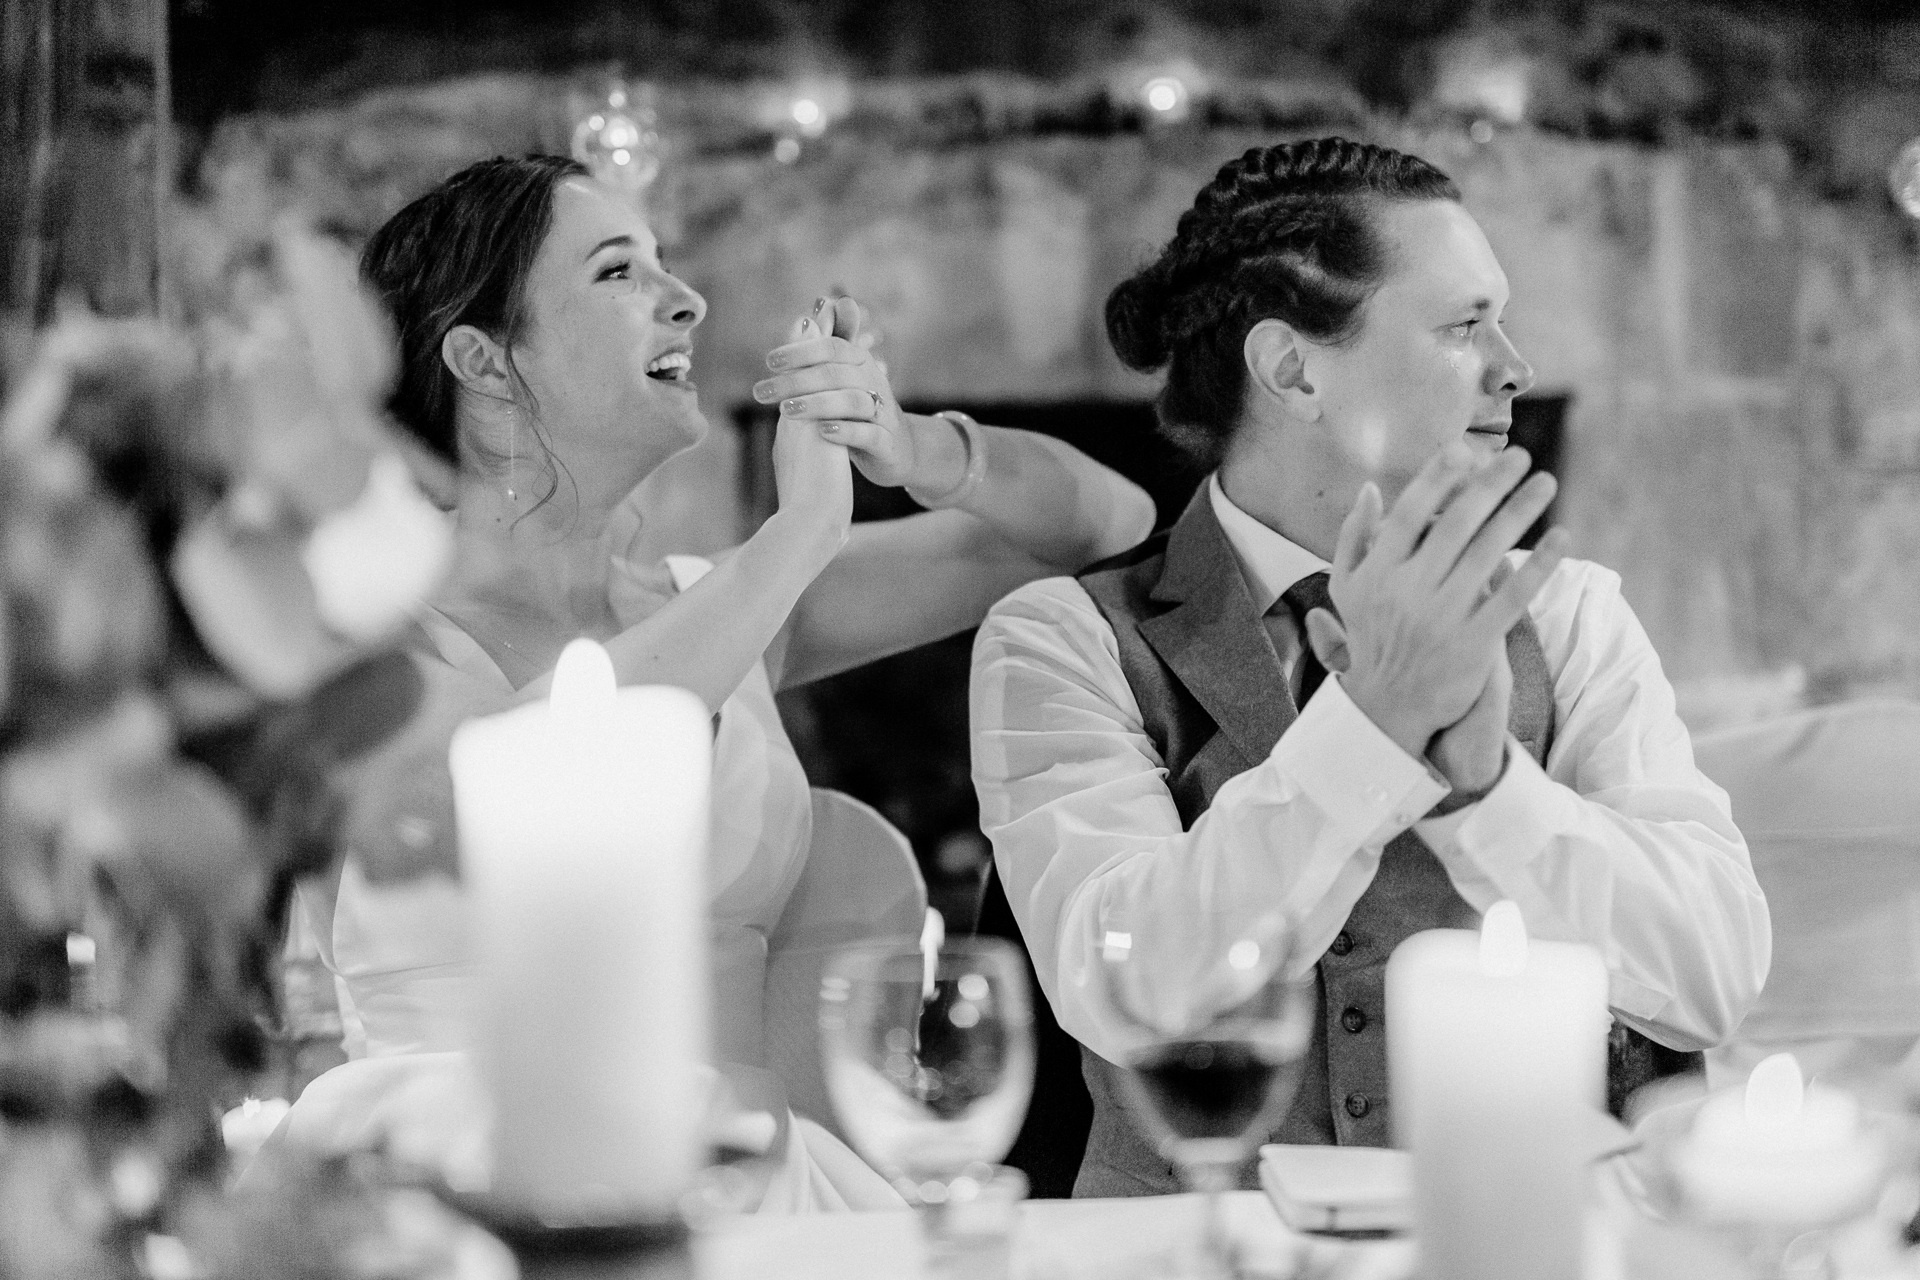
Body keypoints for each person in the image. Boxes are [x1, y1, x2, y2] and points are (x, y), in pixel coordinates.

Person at [281, 153, 1156, 1209]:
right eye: (618, 272)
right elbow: (552, 766)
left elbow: (1108, 525)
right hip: (468, 1186)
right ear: (482, 355)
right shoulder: (364, 633)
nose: (686, 301)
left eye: (668, 266)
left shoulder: (725, 604)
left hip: (758, 1188)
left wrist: (904, 442)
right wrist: (801, 530)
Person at [969, 137, 1772, 1197]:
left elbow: (1714, 975)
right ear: (1294, 369)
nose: (1514, 365)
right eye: (1462, 324)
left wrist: (1492, 790)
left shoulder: (1571, 611)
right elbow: (1132, 987)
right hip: (1189, 1252)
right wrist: (1377, 720)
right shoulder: (1059, 638)